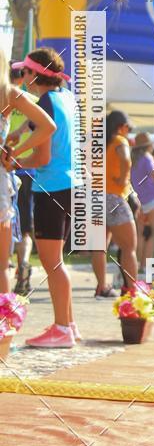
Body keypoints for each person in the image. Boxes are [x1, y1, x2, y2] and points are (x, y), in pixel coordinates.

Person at [7, 49, 80, 346]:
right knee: (57, 262)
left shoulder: (47, 101)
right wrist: (22, 132)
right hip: (70, 184)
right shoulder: (65, 97)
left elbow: (44, 155)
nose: (21, 77)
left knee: (52, 263)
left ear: (34, 75)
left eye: (24, 71)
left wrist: (14, 159)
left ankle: (62, 328)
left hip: (51, 187)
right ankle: (68, 325)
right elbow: (48, 124)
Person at [91, 111, 138, 297]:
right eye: (128, 128)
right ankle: (133, 290)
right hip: (114, 198)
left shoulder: (98, 143)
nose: (129, 132)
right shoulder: (119, 141)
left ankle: (102, 287)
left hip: (95, 197)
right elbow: (126, 159)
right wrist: (123, 179)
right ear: (121, 126)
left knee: (99, 246)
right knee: (129, 247)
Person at [8, 63, 36, 295]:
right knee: (25, 227)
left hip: (7, 168)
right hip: (28, 169)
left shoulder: (4, 98)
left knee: (6, 223)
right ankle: (23, 262)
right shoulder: (30, 101)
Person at [131, 132, 154, 267]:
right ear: (148, 146)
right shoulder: (147, 158)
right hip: (153, 199)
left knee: (140, 234)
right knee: (153, 233)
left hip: (140, 201)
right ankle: (145, 265)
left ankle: (136, 263)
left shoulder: (133, 160)